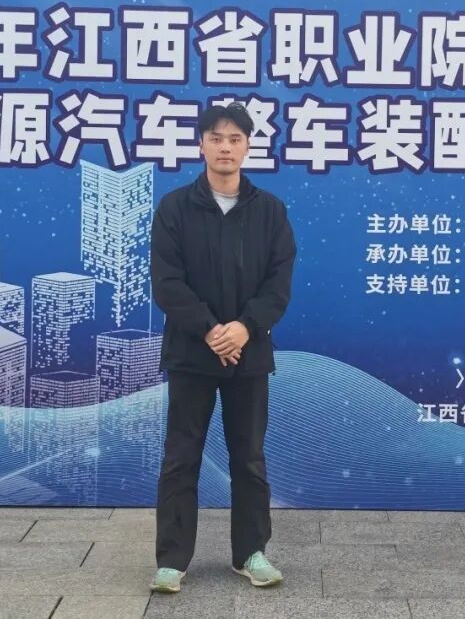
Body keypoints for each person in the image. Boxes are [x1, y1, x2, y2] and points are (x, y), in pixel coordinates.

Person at [149, 102, 297, 595]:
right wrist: (212, 330)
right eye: (216, 138)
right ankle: (172, 560)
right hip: (192, 353)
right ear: (201, 145)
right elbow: (167, 283)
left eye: (235, 139)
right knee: (181, 457)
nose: (225, 147)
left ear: (248, 146)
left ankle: (251, 552)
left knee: (248, 458)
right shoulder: (175, 208)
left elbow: (278, 283)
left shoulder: (270, 211)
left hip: (249, 354)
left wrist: (244, 328)